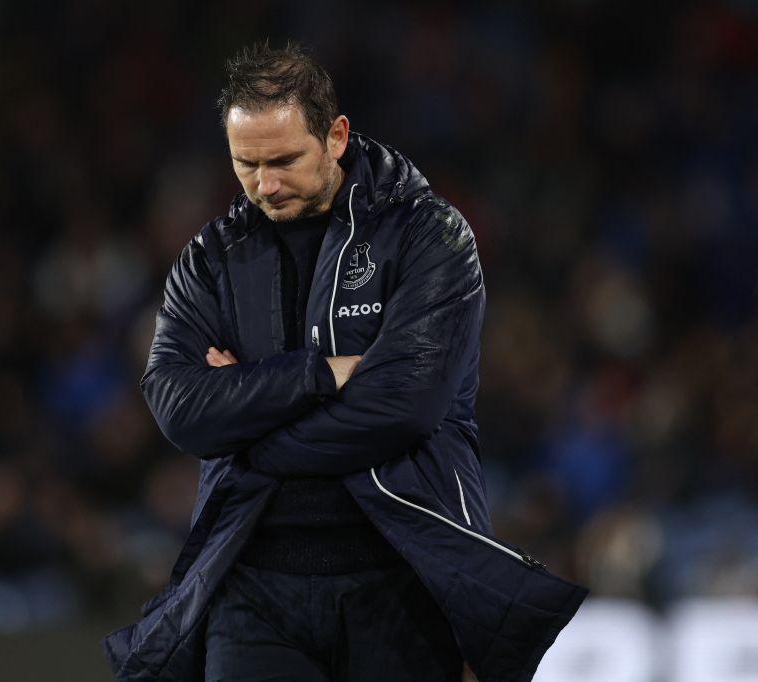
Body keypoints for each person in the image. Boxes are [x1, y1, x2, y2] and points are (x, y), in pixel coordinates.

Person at [103, 42, 586, 682]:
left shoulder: (429, 237)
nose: (265, 185)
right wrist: (320, 374)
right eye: (246, 164)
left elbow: (401, 408)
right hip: (251, 588)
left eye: (283, 160)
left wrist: (245, 426)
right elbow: (178, 409)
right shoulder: (209, 259)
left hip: (401, 581)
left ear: (335, 136)